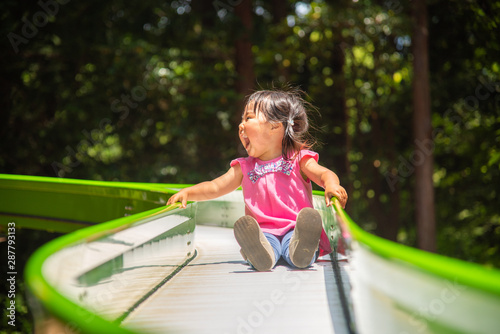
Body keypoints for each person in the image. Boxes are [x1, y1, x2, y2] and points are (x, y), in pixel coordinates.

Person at [167, 87, 348, 271]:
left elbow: (323, 173)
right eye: (242, 119)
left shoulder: (298, 159)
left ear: (274, 126)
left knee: (295, 243)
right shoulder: (244, 167)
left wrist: (332, 185)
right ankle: (261, 254)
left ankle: (303, 251)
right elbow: (215, 187)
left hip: (296, 229)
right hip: (263, 233)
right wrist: (189, 193)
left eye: (248, 118)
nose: (241, 125)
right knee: (265, 245)